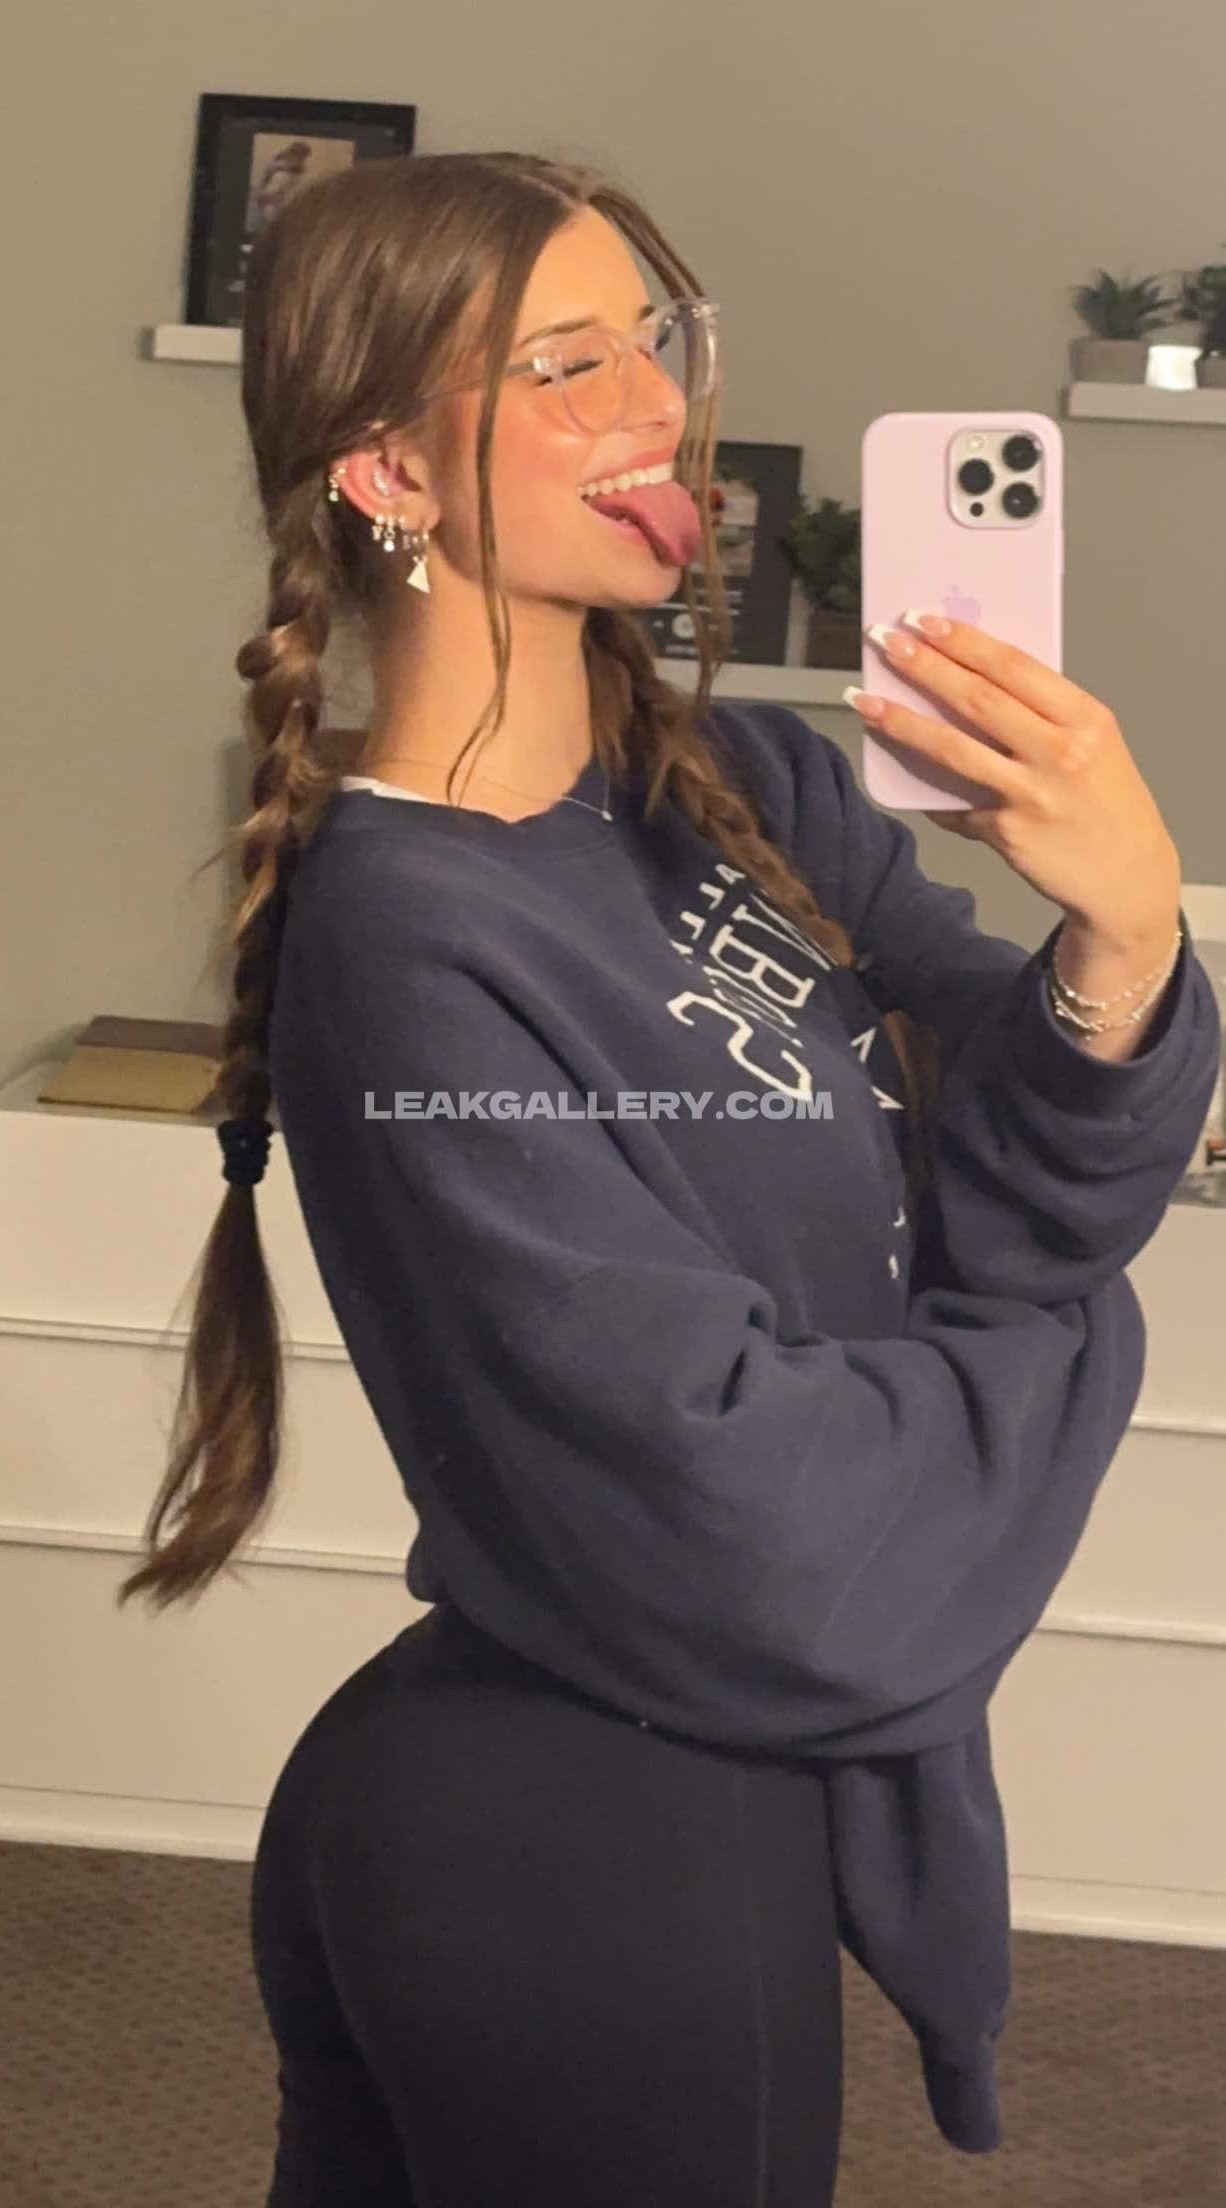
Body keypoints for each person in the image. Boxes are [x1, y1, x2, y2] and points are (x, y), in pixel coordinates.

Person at [115, 151, 1221, 2205]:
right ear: (392, 475)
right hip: (574, 1828)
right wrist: (1067, 1348)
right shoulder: (408, 931)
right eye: (567, 364)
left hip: (671, 1784)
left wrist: (1124, 935)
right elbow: (752, 1517)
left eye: (658, 339)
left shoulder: (760, 791)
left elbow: (1044, 1175)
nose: (660, 404)